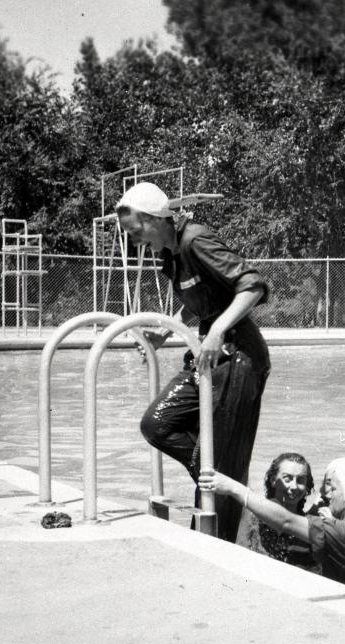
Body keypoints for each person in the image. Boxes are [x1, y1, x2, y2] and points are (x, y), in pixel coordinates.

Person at [116, 181, 271, 544]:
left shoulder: (196, 240)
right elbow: (198, 295)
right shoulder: (169, 255)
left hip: (240, 358)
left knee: (219, 463)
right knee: (157, 424)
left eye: (136, 232)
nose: (135, 241)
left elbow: (252, 285)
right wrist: (165, 333)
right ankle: (219, 478)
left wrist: (216, 329)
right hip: (209, 357)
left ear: (156, 219)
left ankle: (223, 535)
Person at [199, 457, 345, 594]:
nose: (326, 493)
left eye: (332, 487)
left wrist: (234, 488)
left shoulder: (341, 530)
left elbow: (286, 521)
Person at [256, 452, 318, 569]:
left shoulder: (307, 520)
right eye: (287, 478)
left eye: (300, 480)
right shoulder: (264, 511)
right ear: (273, 480)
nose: (294, 486)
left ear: (307, 485)